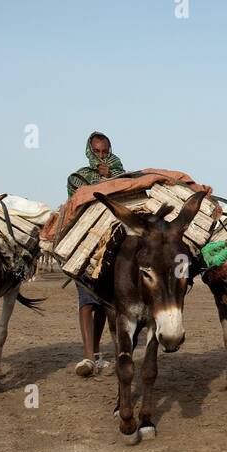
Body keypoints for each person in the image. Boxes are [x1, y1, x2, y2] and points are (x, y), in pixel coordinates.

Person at [67, 131, 125, 377]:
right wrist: (103, 182)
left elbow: (126, 196)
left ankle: (97, 352)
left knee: (103, 303)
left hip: (112, 242)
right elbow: (79, 200)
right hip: (86, 241)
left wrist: (113, 179)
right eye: (97, 152)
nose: (101, 156)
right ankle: (88, 357)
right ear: (89, 152)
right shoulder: (77, 177)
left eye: (105, 152)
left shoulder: (123, 177)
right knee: (86, 299)